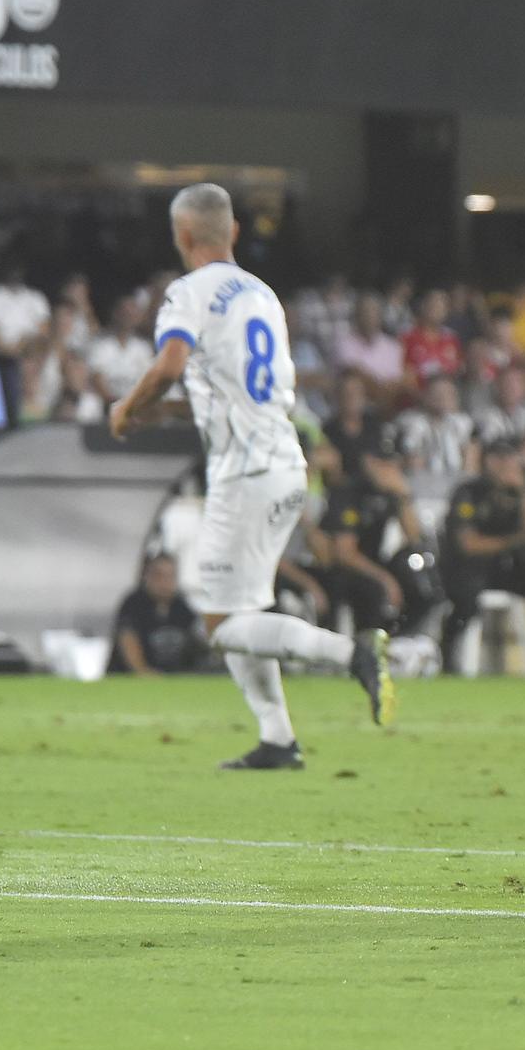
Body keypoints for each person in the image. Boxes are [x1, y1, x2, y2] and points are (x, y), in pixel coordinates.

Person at [109, 184, 394, 770]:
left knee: (220, 624)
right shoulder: (262, 296)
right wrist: (164, 410)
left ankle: (353, 653)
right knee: (241, 612)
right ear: (234, 231)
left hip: (243, 475)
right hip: (284, 464)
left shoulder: (187, 293)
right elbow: (234, 388)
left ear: (183, 236)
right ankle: (277, 740)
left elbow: (169, 365)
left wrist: (126, 407)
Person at [438, 437, 525, 676]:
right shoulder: (469, 492)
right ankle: (447, 657)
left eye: (509, 458)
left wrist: (523, 490)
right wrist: (511, 541)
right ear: (487, 461)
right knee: (466, 595)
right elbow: (468, 544)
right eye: (498, 458)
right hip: (472, 567)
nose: (504, 465)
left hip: (509, 566)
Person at [313, 432, 438, 638]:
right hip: (341, 567)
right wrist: (386, 579)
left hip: (375, 563)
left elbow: (415, 539)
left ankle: (401, 641)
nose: (389, 469)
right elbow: (344, 553)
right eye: (383, 463)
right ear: (368, 462)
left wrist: (403, 495)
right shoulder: (349, 491)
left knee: (423, 582)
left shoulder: (390, 493)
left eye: (392, 463)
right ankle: (367, 647)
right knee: (373, 591)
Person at [107, 554, 205, 676]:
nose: (165, 582)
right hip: (130, 680)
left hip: (171, 681)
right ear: (147, 576)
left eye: (170, 576)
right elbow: (128, 639)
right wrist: (143, 671)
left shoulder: (181, 607)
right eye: (159, 576)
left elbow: (199, 637)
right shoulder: (134, 604)